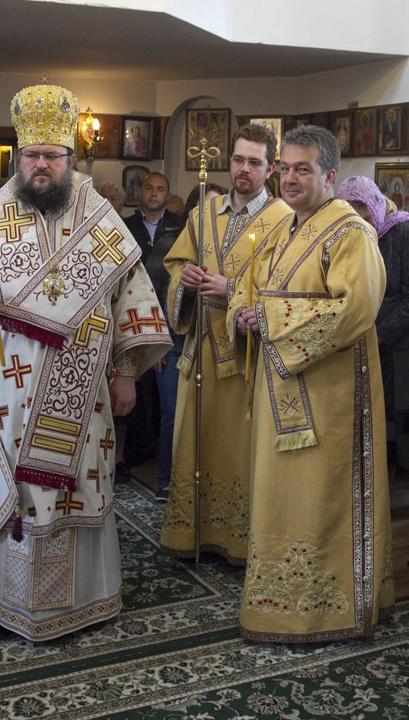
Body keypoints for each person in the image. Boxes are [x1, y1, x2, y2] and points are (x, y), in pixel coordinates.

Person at [0, 84, 172, 642]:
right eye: (31, 155)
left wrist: (126, 372)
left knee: (78, 485)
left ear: (70, 158)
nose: (40, 165)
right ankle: (2, 596)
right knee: (12, 488)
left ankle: (82, 601)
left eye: (51, 156)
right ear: (18, 157)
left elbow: (132, 296)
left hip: (84, 392)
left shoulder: (100, 216)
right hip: (4, 393)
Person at [229, 126, 394, 642]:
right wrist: (243, 313)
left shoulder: (351, 233)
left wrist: (270, 317)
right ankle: (280, 601)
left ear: (330, 176)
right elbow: (249, 288)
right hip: (278, 391)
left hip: (331, 400)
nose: (291, 179)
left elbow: (355, 309)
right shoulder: (284, 228)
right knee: (279, 496)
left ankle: (331, 609)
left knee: (320, 498)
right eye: (285, 169)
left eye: (304, 169)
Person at [160, 124, 292, 564]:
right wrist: (186, 280)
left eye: (255, 162)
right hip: (200, 351)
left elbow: (284, 286)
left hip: (244, 357)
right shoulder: (204, 213)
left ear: (270, 169)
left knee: (238, 449)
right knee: (192, 442)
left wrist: (230, 288)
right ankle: (191, 533)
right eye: (238, 160)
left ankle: (237, 540)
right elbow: (176, 264)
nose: (244, 169)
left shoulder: (283, 219)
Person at [337, 175, 409, 477]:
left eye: (365, 217)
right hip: (364, 339)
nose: (362, 225)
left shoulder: (402, 231)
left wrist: (381, 334)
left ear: (376, 208)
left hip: (399, 343)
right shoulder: (352, 239)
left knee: (398, 411)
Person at [123, 173, 184, 499]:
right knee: (136, 390)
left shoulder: (179, 226)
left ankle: (166, 469)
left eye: (161, 189)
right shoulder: (126, 225)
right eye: (149, 188)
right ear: (140, 192)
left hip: (169, 322)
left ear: (167, 194)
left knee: (168, 405)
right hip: (134, 314)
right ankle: (138, 449)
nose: (154, 194)